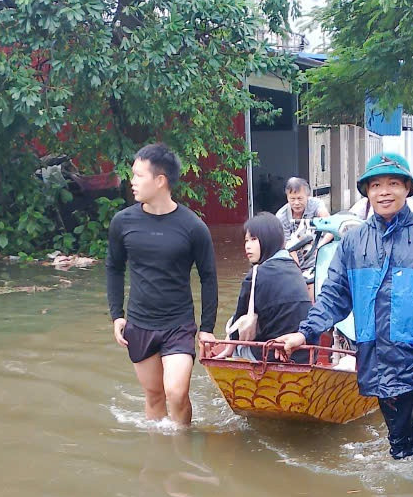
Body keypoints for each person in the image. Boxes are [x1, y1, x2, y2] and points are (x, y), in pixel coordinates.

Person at [276, 152, 413, 486]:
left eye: (393, 183)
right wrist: (304, 333)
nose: (384, 192)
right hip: (382, 356)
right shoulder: (353, 243)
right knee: (402, 446)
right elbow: (334, 297)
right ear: (367, 192)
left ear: (407, 189)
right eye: (376, 185)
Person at [106, 142, 217, 427]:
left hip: (178, 324)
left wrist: (206, 328)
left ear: (160, 180)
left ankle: (182, 445)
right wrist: (117, 315)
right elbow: (114, 268)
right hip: (140, 323)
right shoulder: (122, 222)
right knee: (155, 396)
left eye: (138, 175)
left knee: (176, 393)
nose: (132, 181)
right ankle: (159, 451)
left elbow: (208, 277)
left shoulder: (193, 226)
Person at [218, 214, 312, 362]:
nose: (247, 246)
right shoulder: (294, 267)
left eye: (254, 239)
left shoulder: (256, 274)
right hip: (305, 355)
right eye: (246, 241)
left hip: (275, 355)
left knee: (235, 338)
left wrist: (229, 346)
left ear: (269, 240)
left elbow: (237, 326)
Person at [276, 177, 331, 275]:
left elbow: (330, 226)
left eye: (300, 198)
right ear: (287, 197)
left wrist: (320, 247)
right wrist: (297, 272)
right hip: (295, 258)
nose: (296, 203)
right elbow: (287, 247)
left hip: (319, 253)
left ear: (307, 196)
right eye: (292, 199)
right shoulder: (281, 216)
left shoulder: (316, 204)